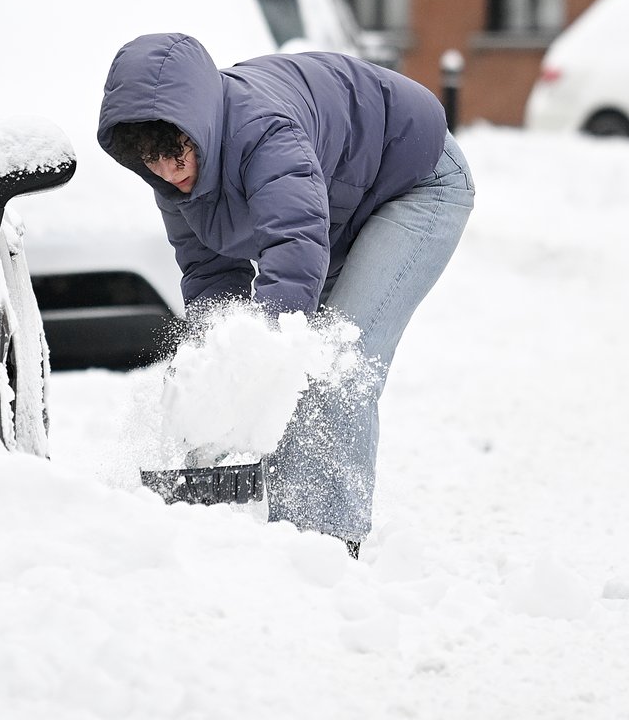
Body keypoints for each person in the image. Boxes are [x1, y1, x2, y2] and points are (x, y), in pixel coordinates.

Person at [98, 32, 475, 556]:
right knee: (269, 361)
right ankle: (277, 543)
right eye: (152, 161)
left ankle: (323, 554)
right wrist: (216, 378)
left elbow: (294, 250)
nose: (168, 172)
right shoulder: (172, 179)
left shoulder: (264, 133)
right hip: (344, 205)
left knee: (332, 360)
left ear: (198, 125)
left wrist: (262, 362)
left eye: (174, 155)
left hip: (416, 182)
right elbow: (210, 277)